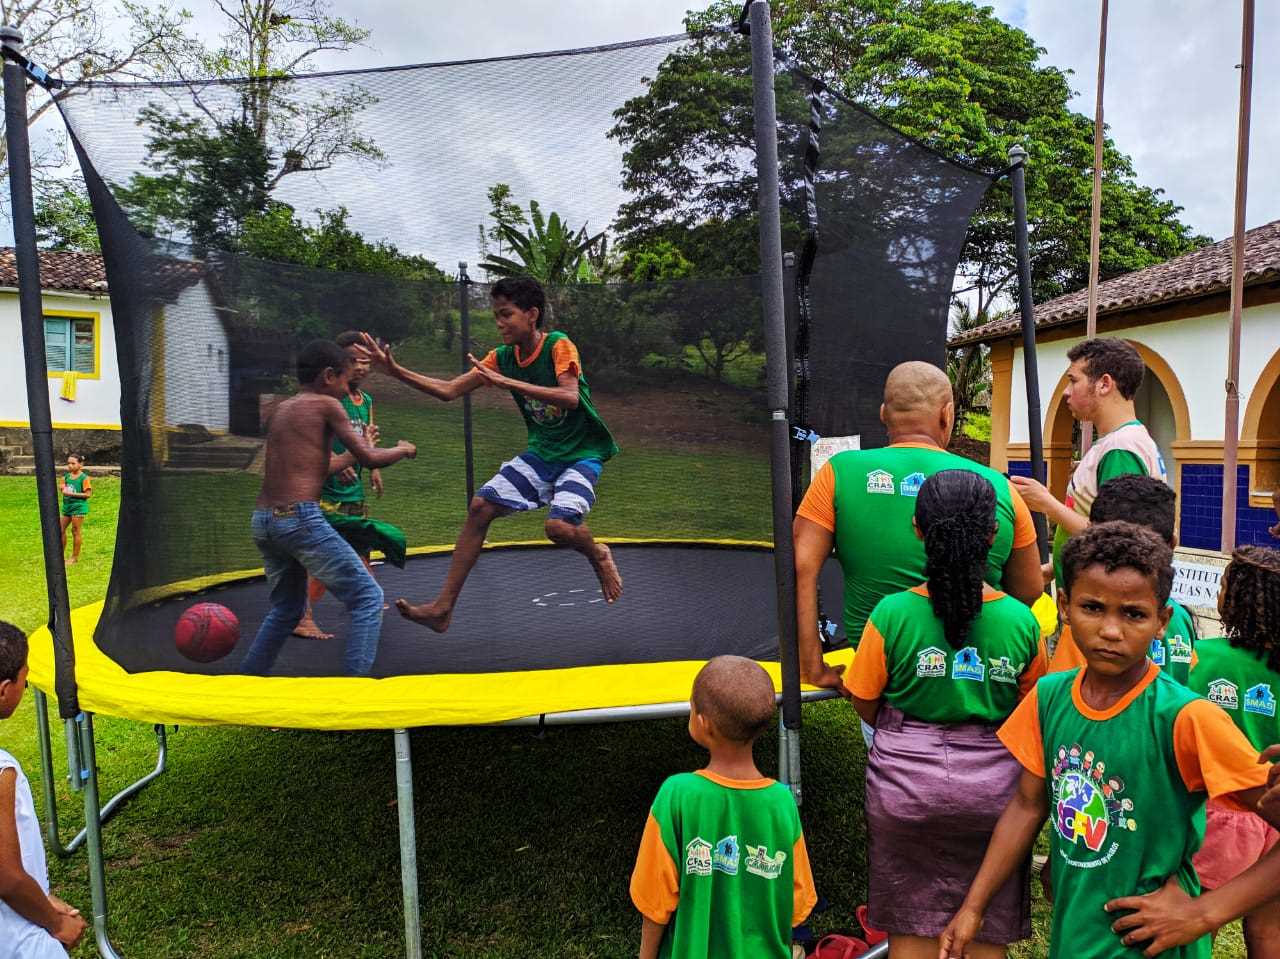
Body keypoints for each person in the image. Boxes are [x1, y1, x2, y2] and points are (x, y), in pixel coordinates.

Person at [938, 522, 1276, 959]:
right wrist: (973, 906)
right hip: (1076, 933)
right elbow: (1027, 804)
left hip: (1150, 945)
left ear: (1162, 621)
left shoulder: (1186, 718)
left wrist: (1205, 913)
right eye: (1093, 607)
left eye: (1133, 614)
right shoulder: (1049, 697)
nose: (1111, 630)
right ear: (1064, 605)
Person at [845, 470, 1046, 959]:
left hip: (903, 789)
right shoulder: (1022, 621)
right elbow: (1034, 708)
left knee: (910, 933)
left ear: (917, 529)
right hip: (997, 796)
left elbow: (864, 698)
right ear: (993, 535)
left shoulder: (891, 614)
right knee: (987, 934)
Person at [357, 275, 621, 632]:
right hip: (543, 453)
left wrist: (507, 383)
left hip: (582, 454)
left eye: (506, 314)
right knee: (480, 506)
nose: (499, 323)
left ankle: (597, 554)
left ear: (532, 314)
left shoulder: (558, 345)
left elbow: (570, 397)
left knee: (558, 527)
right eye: (496, 315)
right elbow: (449, 390)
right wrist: (396, 371)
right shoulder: (501, 358)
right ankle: (442, 609)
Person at [794, 361, 1042, 703]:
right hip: (984, 677)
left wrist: (811, 665)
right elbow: (1028, 590)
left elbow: (799, 569)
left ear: (884, 414)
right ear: (947, 414)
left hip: (885, 679)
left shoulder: (838, 473)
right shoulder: (1000, 487)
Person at [239, 340, 416, 677]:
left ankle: (246, 682)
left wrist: (359, 450)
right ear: (328, 376)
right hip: (298, 518)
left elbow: (317, 469)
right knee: (367, 598)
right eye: (345, 381)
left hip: (264, 521)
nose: (348, 389)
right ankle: (353, 693)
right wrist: (403, 449)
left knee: (286, 610)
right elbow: (370, 458)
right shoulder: (327, 406)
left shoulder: (284, 408)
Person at [629, 655, 817, 958]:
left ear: (703, 723)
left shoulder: (676, 794)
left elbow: (655, 900)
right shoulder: (782, 803)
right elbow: (796, 903)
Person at [1009, 337, 1166, 589]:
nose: (1066, 391)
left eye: (1073, 380)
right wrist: (1052, 569)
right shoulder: (1117, 442)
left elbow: (1118, 537)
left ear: (1104, 384)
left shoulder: (1120, 448)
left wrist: (1046, 503)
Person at [1185, 546, 1280, 956]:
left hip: (1217, 815)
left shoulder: (1200, 658)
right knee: (1269, 929)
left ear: (1235, 598)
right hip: (1274, 815)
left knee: (1195, 920)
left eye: (1225, 584)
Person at [293, 330, 405, 641]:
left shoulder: (365, 400)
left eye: (366, 362)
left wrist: (374, 469)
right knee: (320, 553)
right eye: (354, 361)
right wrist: (333, 459)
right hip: (325, 488)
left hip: (353, 488)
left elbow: (366, 438)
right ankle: (303, 614)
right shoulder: (327, 398)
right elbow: (310, 434)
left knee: (361, 543)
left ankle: (363, 599)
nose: (361, 368)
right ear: (339, 363)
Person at [1047, 475, 1198, 684]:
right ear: (1172, 543)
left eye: (1135, 614)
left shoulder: (1086, 627)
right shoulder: (1180, 617)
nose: (1111, 631)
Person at [0, 621, 88, 956]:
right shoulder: (1, 770)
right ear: (5, 688)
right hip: (16, 938)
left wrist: (38, 896)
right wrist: (54, 921)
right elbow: (6, 877)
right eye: (25, 675)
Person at [59, 453, 91, 565]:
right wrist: (62, 488)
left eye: (73, 463)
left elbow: (88, 494)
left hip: (78, 507)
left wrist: (73, 494)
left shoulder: (84, 478)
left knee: (75, 531)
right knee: (60, 530)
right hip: (67, 507)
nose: (70, 466)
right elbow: (62, 488)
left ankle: (74, 558)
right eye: (68, 463)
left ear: (80, 464)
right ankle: (60, 556)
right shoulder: (66, 477)